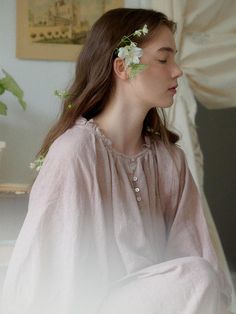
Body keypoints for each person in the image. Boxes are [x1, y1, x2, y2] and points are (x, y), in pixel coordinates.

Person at [1, 8, 233, 314]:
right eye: (164, 59)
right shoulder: (75, 152)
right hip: (87, 305)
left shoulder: (170, 160)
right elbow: (49, 270)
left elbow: (192, 258)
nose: (177, 71)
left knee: (202, 277)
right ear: (123, 67)